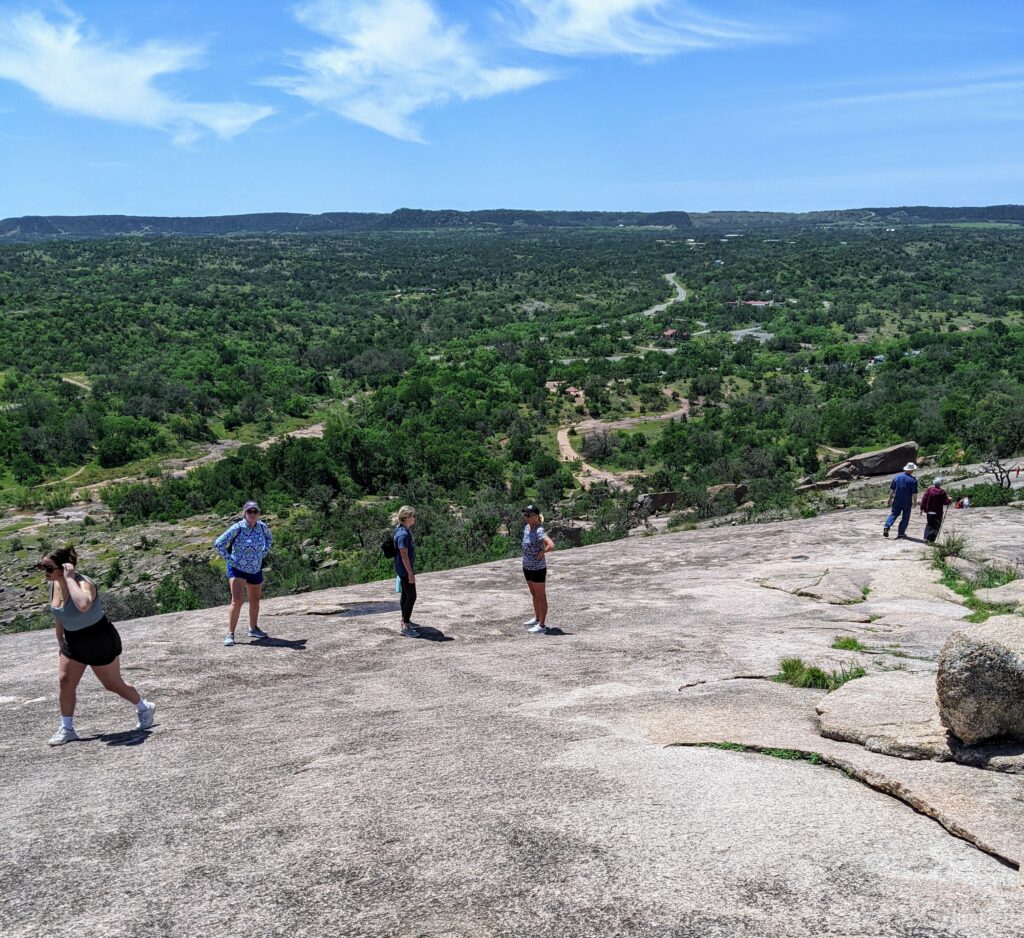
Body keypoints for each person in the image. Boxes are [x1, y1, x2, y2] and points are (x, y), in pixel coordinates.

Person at [41, 545, 155, 746]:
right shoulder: (53, 584)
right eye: (42, 567)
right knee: (65, 681)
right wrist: (60, 639)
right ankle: (67, 728)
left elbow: (83, 605)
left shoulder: (83, 584)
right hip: (73, 640)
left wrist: (69, 579)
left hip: (98, 637)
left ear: (65, 567)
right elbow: (58, 613)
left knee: (112, 684)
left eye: (48, 568)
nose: (44, 572)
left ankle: (144, 707)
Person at [214, 500, 272, 646]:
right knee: (237, 600)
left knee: (255, 601)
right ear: (244, 513)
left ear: (258, 513)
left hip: (255, 569)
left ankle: (253, 628)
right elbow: (218, 543)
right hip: (237, 569)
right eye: (249, 511)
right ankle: (230, 634)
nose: (252, 514)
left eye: (255, 511)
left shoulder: (262, 527)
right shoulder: (237, 527)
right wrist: (230, 559)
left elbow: (269, 539)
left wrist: (263, 553)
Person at [521, 504, 555, 635]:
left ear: (535, 516)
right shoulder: (527, 528)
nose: (526, 517)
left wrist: (543, 552)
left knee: (541, 596)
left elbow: (551, 545)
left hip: (537, 568)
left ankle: (542, 625)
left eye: (528, 515)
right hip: (527, 566)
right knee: (533, 593)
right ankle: (536, 618)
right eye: (525, 515)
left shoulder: (539, 530)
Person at [393, 506, 419, 638]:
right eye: (413, 516)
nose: (414, 518)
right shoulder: (403, 534)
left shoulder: (403, 529)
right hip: (404, 569)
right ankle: (405, 626)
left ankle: (405, 619)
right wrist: (410, 573)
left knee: (405, 594)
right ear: (407, 517)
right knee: (412, 596)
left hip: (402, 568)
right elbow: (404, 555)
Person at [884, 462, 919, 540]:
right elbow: (914, 493)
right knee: (905, 517)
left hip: (897, 499)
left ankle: (887, 526)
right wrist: (915, 502)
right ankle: (901, 533)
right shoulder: (913, 480)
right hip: (907, 500)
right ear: (911, 470)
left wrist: (890, 498)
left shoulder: (897, 477)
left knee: (894, 514)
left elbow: (892, 489)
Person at [920, 477, 952, 543]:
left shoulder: (929, 490)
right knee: (936, 526)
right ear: (940, 484)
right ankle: (931, 540)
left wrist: (922, 508)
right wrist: (949, 499)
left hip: (929, 511)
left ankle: (926, 538)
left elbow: (924, 499)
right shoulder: (942, 492)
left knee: (929, 524)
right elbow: (945, 502)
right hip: (938, 512)